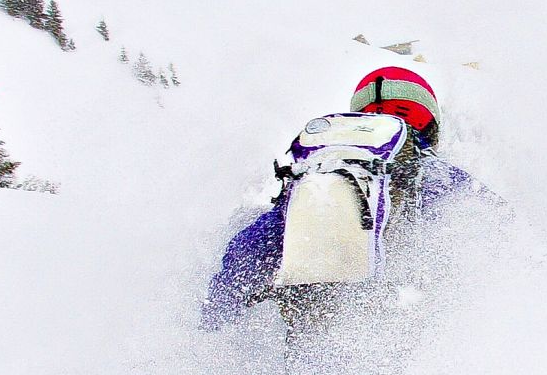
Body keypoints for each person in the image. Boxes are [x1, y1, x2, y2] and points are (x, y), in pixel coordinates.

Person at [200, 66, 484, 330]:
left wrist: (215, 317)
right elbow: (496, 228)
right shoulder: (433, 173)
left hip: (314, 336)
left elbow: (251, 248)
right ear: (429, 123)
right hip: (398, 332)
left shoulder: (323, 167)